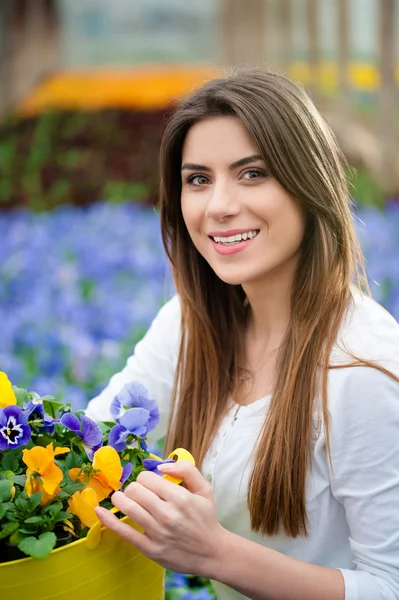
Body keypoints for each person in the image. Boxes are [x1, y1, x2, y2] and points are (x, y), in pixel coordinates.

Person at [85, 69, 399, 600]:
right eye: (198, 179)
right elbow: (90, 442)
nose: (219, 206)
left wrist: (214, 553)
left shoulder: (363, 369)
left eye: (252, 173)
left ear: (309, 182)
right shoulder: (189, 325)